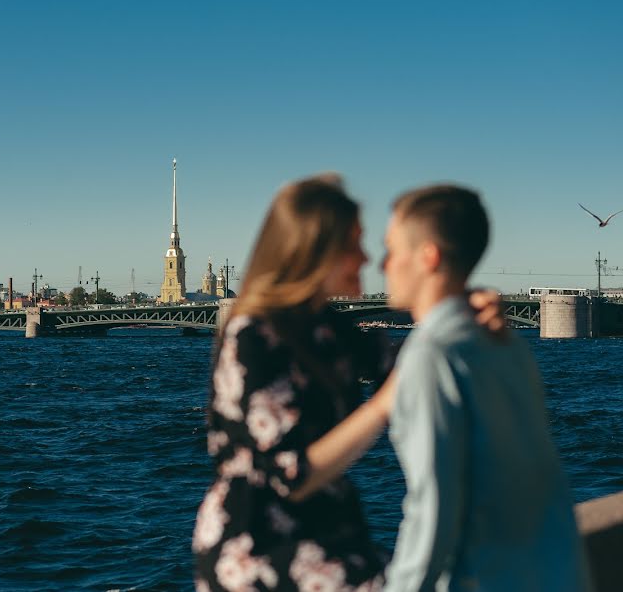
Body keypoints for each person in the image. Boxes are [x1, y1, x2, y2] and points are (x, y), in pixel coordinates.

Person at [192, 174, 504, 592]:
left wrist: (462, 311)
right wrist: (381, 405)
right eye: (354, 243)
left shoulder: (329, 331)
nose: (366, 259)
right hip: (260, 544)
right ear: (316, 251)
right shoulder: (250, 336)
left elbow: (414, 361)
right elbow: (289, 475)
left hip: (328, 531)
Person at [381, 185, 591, 591]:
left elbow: (434, 511)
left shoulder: (432, 355)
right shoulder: (506, 343)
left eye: (391, 249)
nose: (383, 264)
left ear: (428, 256)